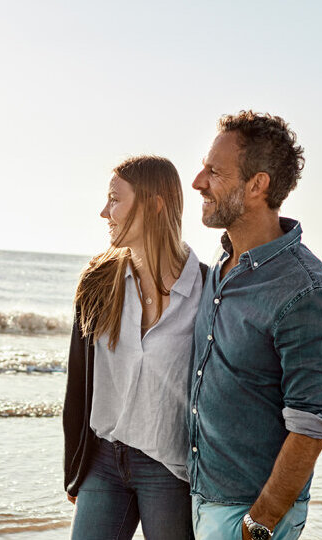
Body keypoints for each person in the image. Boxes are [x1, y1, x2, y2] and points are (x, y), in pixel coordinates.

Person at [187, 111, 322, 540]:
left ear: (257, 185)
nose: (198, 181)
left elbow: (312, 423)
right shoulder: (221, 267)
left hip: (248, 514)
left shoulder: (307, 291)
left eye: (215, 172)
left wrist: (259, 523)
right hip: (200, 495)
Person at [63, 155, 207, 540]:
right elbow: (78, 383)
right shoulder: (98, 280)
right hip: (103, 461)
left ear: (154, 203)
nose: (103, 212)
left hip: (171, 469)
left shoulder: (208, 291)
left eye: (114, 199)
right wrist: (74, 470)